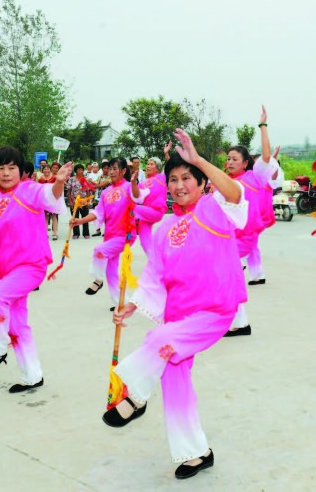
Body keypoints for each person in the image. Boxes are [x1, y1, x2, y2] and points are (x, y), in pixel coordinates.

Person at [104, 128, 248, 480]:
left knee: (158, 342)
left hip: (213, 312)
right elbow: (154, 273)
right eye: (173, 179)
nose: (180, 184)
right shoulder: (167, 226)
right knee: (173, 378)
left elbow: (235, 191)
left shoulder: (217, 209)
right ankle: (196, 453)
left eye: (187, 178)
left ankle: (135, 395)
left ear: (201, 184)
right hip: (179, 314)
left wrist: (198, 159)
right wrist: (133, 306)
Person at [0, 146, 73, 393]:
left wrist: (59, 183)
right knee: (16, 326)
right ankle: (32, 376)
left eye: (11, 167)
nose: (5, 173)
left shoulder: (30, 190)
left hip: (31, 266)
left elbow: (51, 197)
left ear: (21, 171)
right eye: (0, 168)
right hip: (6, 270)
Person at [224, 106, 278, 335]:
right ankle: (239, 321)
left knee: (227, 273)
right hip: (229, 236)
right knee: (227, 275)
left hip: (243, 237)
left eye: (235, 158)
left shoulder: (255, 177)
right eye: (228, 158)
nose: (230, 161)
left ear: (246, 162)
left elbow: (266, 156)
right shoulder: (226, 181)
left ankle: (239, 321)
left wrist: (263, 126)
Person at [71, 157, 145, 311]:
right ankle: (119, 303)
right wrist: (80, 221)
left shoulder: (129, 188)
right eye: (110, 168)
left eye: (115, 168)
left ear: (123, 171)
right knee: (111, 271)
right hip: (110, 234)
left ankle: (98, 280)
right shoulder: (105, 192)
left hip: (125, 235)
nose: (111, 171)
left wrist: (133, 183)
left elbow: (138, 196)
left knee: (99, 250)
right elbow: (98, 213)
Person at [134, 156, 169, 256]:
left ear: (157, 168)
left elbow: (170, 165)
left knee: (130, 208)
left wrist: (166, 154)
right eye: (148, 164)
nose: (148, 166)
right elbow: (135, 196)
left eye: (151, 164)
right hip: (146, 213)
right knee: (144, 241)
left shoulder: (161, 177)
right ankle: (155, 258)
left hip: (157, 211)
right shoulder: (142, 183)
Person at [67, 164, 95, 239]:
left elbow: (88, 191)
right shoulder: (71, 179)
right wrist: (70, 201)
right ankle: (76, 233)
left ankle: (86, 233)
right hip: (74, 201)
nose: (81, 171)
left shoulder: (86, 179)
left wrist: (89, 201)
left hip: (84, 201)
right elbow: (69, 191)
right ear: (76, 171)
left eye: (82, 170)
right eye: (79, 170)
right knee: (74, 217)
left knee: (85, 217)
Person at [38, 165, 58, 240]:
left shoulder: (54, 178)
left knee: (54, 216)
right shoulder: (40, 179)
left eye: (48, 169)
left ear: (50, 170)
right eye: (45, 169)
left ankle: (55, 233)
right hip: (44, 199)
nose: (46, 170)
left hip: (52, 199)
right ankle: (45, 233)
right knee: (45, 217)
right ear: (42, 170)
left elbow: (57, 187)